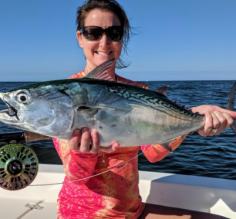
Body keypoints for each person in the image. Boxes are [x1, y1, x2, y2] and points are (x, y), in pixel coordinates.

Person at [47, 0, 236, 218]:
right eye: (93, 33)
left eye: (114, 33)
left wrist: (195, 122)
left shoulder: (139, 90)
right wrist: (83, 153)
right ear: (80, 37)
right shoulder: (64, 94)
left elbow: (152, 153)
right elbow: (75, 174)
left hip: (132, 211)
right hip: (81, 213)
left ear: (122, 38)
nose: (104, 41)